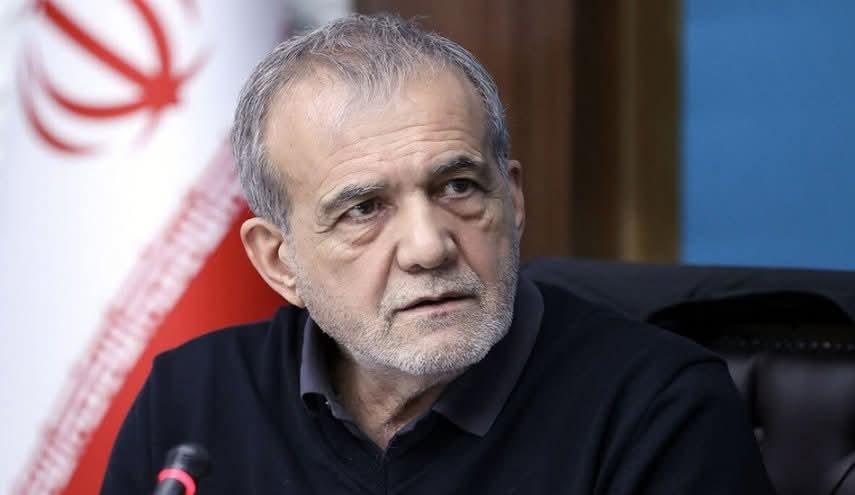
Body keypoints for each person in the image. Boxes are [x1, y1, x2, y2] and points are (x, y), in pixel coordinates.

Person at [101, 14, 775, 494]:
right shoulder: (193, 398)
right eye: (364, 208)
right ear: (279, 261)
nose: (428, 247)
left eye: (457, 187)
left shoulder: (659, 408)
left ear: (512, 200)